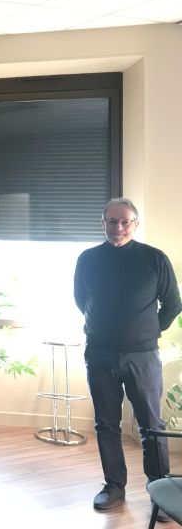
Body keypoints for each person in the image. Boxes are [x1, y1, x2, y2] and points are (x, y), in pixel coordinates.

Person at [74, 198, 181, 514]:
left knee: (151, 425)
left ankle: (160, 491)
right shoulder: (88, 259)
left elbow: (173, 304)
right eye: (112, 221)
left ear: (135, 224)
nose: (118, 227)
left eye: (125, 221)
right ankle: (114, 486)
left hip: (143, 357)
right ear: (103, 223)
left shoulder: (154, 259)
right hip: (100, 354)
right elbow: (81, 300)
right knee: (106, 423)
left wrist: (148, 331)